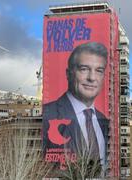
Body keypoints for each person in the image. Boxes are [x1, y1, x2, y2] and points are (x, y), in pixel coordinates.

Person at [42, 42, 109, 170]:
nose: (92, 78)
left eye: (99, 71)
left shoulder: (105, 122)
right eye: (84, 69)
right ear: (68, 74)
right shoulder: (48, 113)